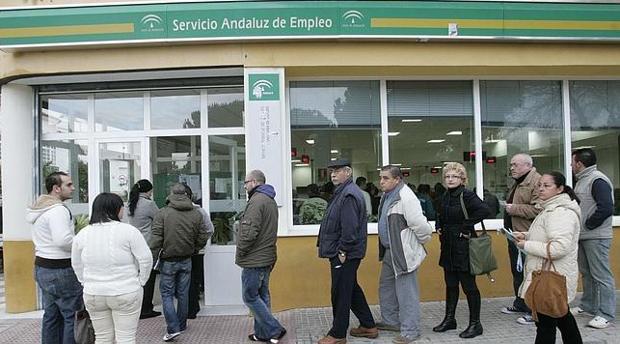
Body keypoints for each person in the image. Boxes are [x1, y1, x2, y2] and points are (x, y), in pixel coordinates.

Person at [72, 193, 153, 344]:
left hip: (94, 293)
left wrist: (84, 282)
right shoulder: (129, 231)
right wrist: (141, 281)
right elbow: (146, 259)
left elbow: (76, 264)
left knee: (102, 337)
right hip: (125, 290)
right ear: (117, 209)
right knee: (126, 338)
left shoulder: (83, 234)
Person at [514, 171, 583, 344]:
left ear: (559, 189)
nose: (541, 189)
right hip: (550, 276)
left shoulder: (560, 212)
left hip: (552, 277)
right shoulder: (549, 208)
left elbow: (559, 248)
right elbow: (546, 234)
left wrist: (526, 245)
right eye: (539, 185)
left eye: (547, 185)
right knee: (562, 318)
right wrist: (526, 235)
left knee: (546, 325)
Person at [370, 165, 432, 344]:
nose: (381, 181)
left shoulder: (406, 196)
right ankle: (391, 321)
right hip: (389, 250)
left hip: (402, 252)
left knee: (406, 291)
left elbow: (419, 224)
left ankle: (411, 331)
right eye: (380, 178)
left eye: (385, 178)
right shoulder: (387, 195)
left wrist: (422, 240)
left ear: (397, 179)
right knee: (386, 287)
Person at [317, 159, 376, 344]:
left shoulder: (348, 194)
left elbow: (350, 229)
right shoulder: (342, 192)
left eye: (337, 170)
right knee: (350, 288)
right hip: (345, 251)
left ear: (348, 172)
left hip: (344, 252)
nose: (333, 174)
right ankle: (368, 326)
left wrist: (342, 251)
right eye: (331, 171)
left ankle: (338, 334)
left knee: (340, 292)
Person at [433, 162, 489, 339]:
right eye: (448, 176)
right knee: (450, 284)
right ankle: (450, 319)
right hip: (448, 244)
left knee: (469, 286)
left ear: (462, 179)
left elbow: (485, 210)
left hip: (464, 245)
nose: (450, 179)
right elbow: (440, 213)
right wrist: (438, 225)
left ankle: (475, 324)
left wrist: (466, 226)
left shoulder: (467, 195)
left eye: (454, 176)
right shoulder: (444, 196)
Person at [26, 171, 83, 344]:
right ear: (56, 189)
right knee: (70, 315)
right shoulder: (57, 210)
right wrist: (81, 243)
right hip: (61, 270)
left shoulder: (41, 208)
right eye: (68, 185)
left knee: (51, 315)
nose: (73, 188)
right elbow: (63, 240)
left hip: (43, 267)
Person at [150, 183, 208, 342]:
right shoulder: (196, 214)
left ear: (171, 194)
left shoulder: (163, 213)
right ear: (187, 195)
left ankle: (173, 327)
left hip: (168, 260)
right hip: (187, 259)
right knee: (183, 293)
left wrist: (152, 259)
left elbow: (155, 240)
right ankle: (181, 325)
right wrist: (195, 248)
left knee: (167, 294)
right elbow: (204, 235)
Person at [236, 170, 287, 343]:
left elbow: (249, 232)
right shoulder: (269, 200)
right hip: (266, 256)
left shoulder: (256, 201)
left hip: (254, 258)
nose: (245, 186)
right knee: (262, 295)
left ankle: (274, 329)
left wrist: (241, 250)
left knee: (250, 296)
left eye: (246, 182)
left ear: (255, 182)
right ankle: (262, 334)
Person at [571, 148, 616, 329]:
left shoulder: (597, 180)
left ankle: (605, 313)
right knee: (587, 273)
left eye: (573, 162)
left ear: (580, 163)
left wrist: (588, 225)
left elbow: (606, 207)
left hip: (596, 237)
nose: (571, 166)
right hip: (583, 236)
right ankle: (587, 305)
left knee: (601, 276)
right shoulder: (582, 180)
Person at [501, 153, 541, 325]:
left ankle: (534, 311)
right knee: (517, 272)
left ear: (527, 165)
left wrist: (513, 209)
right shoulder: (518, 182)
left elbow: (538, 210)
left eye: (515, 165)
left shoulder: (536, 182)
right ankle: (520, 303)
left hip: (528, 236)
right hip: (514, 234)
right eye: (511, 165)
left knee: (530, 274)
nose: (512, 168)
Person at [126, 179, 161, 320]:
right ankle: (146, 308)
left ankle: (137, 307)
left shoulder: (130, 204)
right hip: (147, 244)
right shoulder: (148, 204)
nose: (152, 193)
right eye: (151, 191)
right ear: (147, 191)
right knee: (149, 277)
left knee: (137, 277)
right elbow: (159, 218)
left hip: (133, 244)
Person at [181, 185, 214, 319]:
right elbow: (209, 229)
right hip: (194, 251)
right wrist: (198, 244)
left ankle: (189, 309)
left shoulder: (197, 210)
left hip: (185, 251)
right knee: (191, 280)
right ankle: (191, 309)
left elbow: (208, 229)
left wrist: (198, 244)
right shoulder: (198, 211)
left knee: (187, 281)